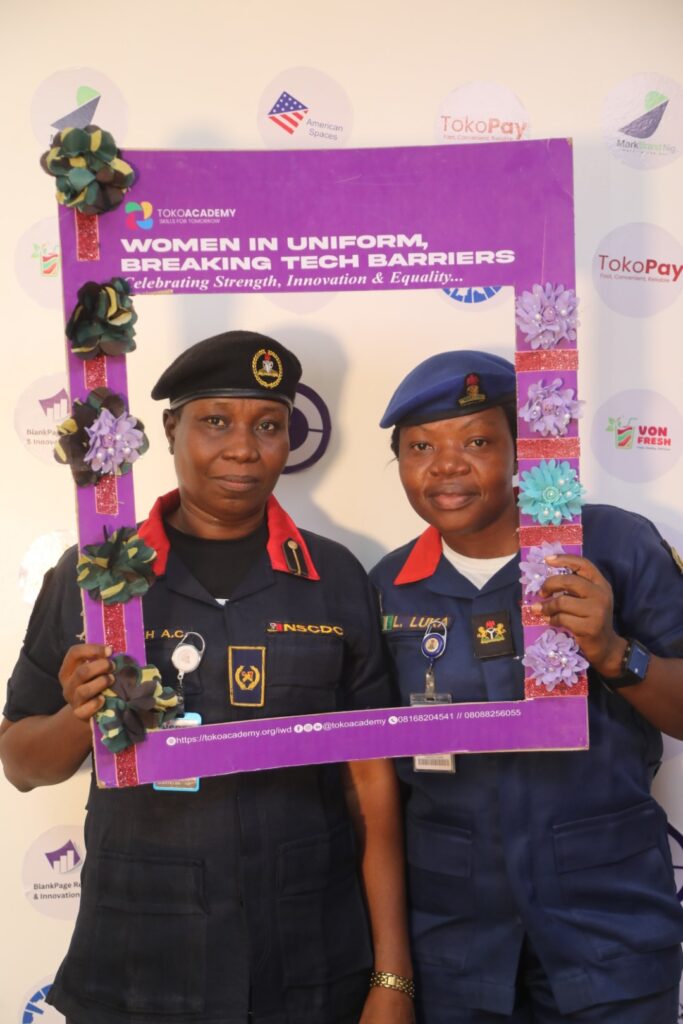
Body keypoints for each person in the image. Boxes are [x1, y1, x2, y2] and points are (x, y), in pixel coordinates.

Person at [0, 331, 415, 1024]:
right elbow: (19, 763)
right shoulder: (93, 576)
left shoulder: (335, 576)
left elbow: (370, 780)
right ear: (170, 430)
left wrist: (392, 976)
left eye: (269, 426)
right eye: (216, 422)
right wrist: (81, 714)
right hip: (139, 962)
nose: (244, 449)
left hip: (311, 958)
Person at [369, 350, 683, 1024]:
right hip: (455, 943)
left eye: (477, 442)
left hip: (609, 927)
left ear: (523, 451)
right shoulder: (387, 586)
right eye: (420, 447)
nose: (446, 466)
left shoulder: (613, 545)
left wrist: (612, 653)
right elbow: (373, 777)